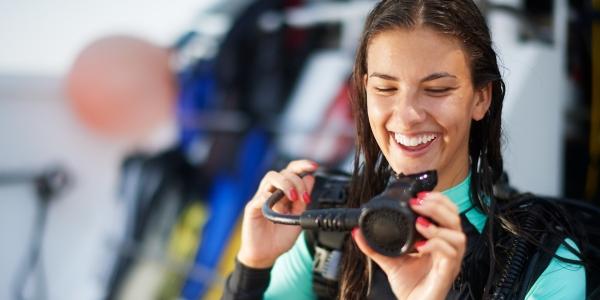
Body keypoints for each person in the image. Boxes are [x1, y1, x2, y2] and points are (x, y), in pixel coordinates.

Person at [222, 0, 586, 299]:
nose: (408, 116)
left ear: (481, 98)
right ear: (364, 93)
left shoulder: (545, 259)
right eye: (385, 88)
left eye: (438, 89)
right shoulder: (325, 230)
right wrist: (252, 267)